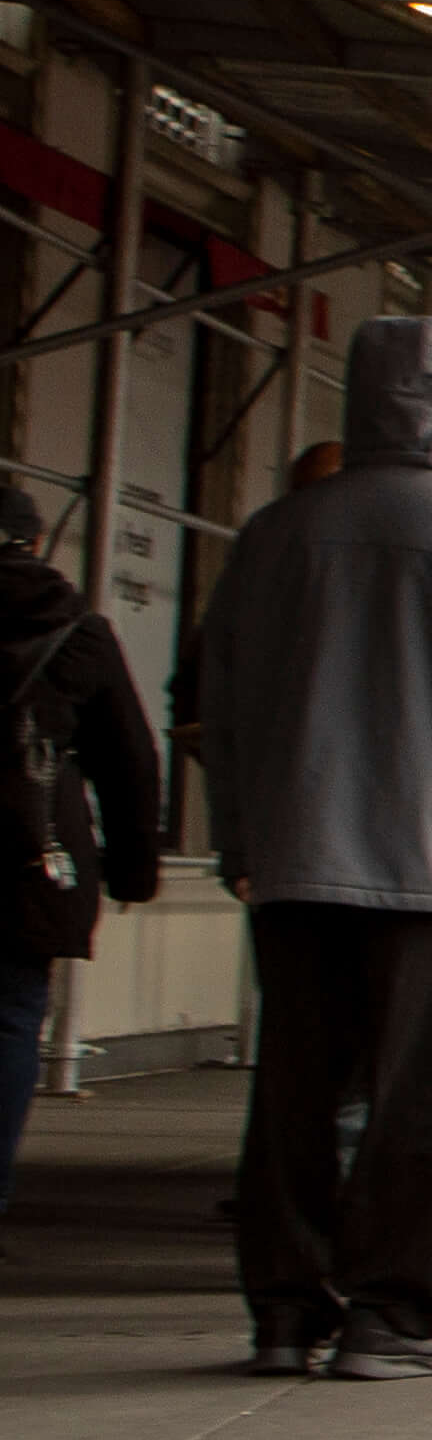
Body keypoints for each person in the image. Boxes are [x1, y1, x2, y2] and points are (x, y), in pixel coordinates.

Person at [191, 318, 432, 1377]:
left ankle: (280, 1309)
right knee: (418, 1102)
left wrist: (240, 844)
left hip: (298, 863)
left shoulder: (272, 535)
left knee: (293, 1094)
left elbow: (220, 707)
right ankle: (389, 1313)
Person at [0, 485, 164, 1218]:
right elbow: (129, 761)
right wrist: (134, 868)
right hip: (28, 852)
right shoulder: (77, 631)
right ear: (35, 544)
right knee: (10, 1016)